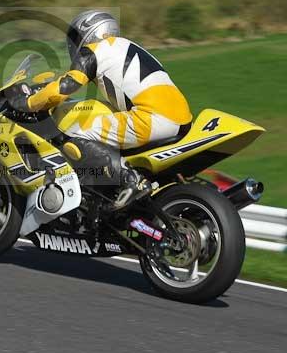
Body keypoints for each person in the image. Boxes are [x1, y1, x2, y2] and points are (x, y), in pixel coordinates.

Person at [10, 10, 193, 209]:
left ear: (88, 33)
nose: (73, 46)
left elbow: (64, 87)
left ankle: (130, 179)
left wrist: (27, 103)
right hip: (182, 119)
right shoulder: (127, 47)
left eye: (74, 39)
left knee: (72, 130)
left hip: (151, 119)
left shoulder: (95, 51)